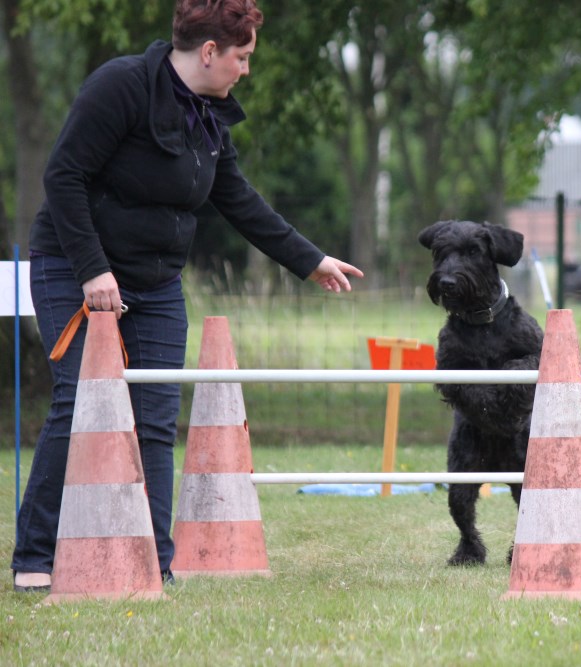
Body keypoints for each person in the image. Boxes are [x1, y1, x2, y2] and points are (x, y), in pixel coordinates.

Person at [11, 0, 363, 592]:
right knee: (78, 405)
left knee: (153, 421)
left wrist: (311, 260)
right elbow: (63, 176)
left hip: (156, 283)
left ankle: (154, 562)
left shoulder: (209, 116)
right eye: (243, 56)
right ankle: (34, 557)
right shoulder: (119, 87)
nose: (246, 69)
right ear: (209, 52)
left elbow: (239, 200)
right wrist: (94, 270)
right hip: (73, 267)